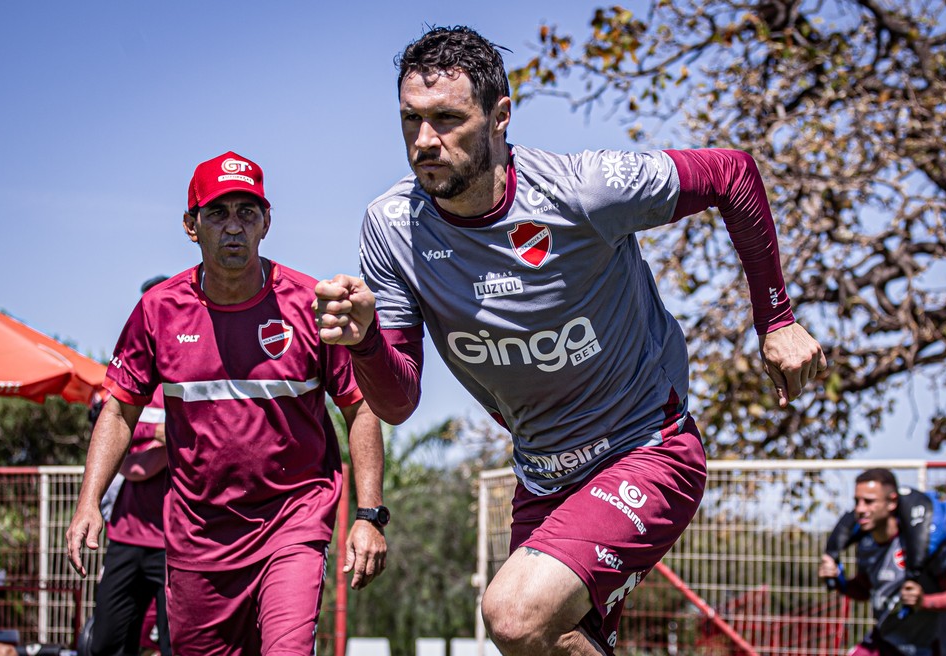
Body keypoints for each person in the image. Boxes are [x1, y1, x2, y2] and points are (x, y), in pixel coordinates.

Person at [314, 25, 826, 656]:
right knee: (539, 641)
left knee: (513, 614)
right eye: (410, 120)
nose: (424, 141)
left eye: (447, 119)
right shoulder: (393, 227)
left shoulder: (583, 189)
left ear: (500, 117)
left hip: (648, 445)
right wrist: (366, 342)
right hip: (543, 478)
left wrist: (776, 319)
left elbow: (733, 174)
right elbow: (397, 404)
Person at [67, 151, 390, 656]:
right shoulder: (157, 311)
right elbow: (120, 409)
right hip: (197, 537)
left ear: (267, 222)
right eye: (217, 213)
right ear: (191, 226)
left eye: (247, 212)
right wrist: (90, 500)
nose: (233, 226)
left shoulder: (310, 305)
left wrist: (369, 515)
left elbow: (360, 405)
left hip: (292, 522)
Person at [88, 276, 171, 656]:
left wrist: (143, 441)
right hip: (124, 537)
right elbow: (110, 433)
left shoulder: (184, 379)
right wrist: (157, 435)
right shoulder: (126, 379)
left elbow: (186, 437)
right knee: (106, 642)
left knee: (176, 644)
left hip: (173, 541)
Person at [818, 468, 946, 656]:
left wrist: (923, 601)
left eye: (869, 502)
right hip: (887, 641)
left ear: (892, 502)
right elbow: (865, 590)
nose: (860, 509)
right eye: (857, 501)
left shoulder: (923, 544)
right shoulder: (866, 545)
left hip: (928, 646)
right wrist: (839, 581)